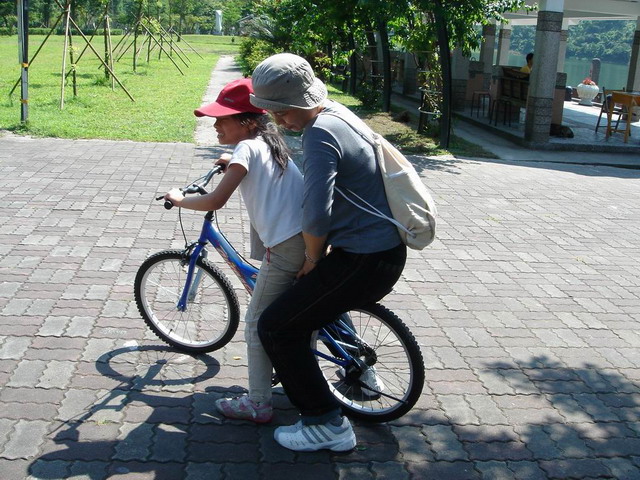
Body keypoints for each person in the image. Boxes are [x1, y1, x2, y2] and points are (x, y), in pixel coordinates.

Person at [250, 53, 407, 452]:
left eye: (282, 111)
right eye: (272, 113)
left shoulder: (319, 133)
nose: (279, 121)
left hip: (364, 259)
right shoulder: (339, 114)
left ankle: (325, 423)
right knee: (309, 308)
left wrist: (311, 259)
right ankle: (350, 378)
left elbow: (316, 213)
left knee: (277, 327)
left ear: (302, 103)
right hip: (381, 252)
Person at [164, 78, 305, 423]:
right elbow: (251, 164)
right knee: (304, 313)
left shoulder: (247, 149)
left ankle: (258, 403)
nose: (215, 126)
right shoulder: (269, 143)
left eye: (221, 119)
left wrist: (179, 200)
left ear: (248, 122)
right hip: (308, 239)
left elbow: (216, 200)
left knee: (257, 323)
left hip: (286, 246)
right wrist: (230, 159)